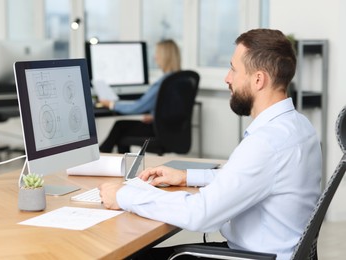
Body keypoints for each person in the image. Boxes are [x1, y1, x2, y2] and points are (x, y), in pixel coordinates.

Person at [99, 28, 322, 260]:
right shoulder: (299, 127)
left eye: (234, 69)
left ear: (258, 79)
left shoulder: (266, 143)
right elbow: (248, 178)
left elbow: (201, 214)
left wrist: (124, 196)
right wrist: (186, 177)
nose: (228, 78)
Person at [99, 39, 181, 153]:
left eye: (157, 53)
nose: (155, 57)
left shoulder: (163, 83)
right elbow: (172, 110)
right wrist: (154, 116)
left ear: (165, 56)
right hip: (169, 129)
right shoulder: (179, 80)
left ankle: (100, 156)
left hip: (158, 130)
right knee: (121, 135)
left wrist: (111, 104)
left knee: (120, 126)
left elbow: (137, 107)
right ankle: (112, 160)